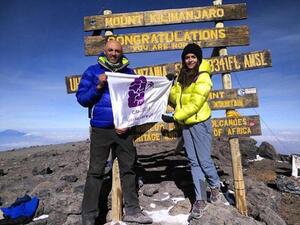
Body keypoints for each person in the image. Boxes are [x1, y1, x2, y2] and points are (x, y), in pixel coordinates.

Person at [76, 40, 153, 225]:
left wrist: (128, 123)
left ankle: (133, 211)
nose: (114, 53)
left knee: (129, 170)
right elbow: (82, 99)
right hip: (100, 129)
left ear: (122, 52)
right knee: (95, 172)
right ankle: (88, 217)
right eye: (110, 50)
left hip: (123, 130)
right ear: (104, 51)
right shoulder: (92, 71)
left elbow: (137, 103)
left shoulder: (129, 73)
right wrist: (98, 86)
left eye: (117, 50)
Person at [162, 43, 225, 221]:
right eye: (187, 57)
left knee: (204, 161)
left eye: (193, 57)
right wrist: (172, 84)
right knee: (193, 162)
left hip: (200, 123)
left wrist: (175, 117)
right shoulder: (183, 75)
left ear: (198, 58)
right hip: (186, 124)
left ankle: (214, 186)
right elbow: (177, 98)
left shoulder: (203, 76)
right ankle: (200, 198)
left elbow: (196, 103)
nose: (189, 60)